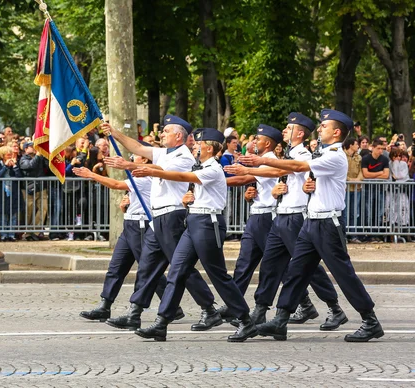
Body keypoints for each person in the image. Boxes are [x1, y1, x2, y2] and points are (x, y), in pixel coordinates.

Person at [239, 109, 384, 342]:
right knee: (297, 271)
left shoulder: (335, 155)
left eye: (324, 127)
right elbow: (303, 173)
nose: (319, 129)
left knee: (343, 273)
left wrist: (261, 160)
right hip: (311, 220)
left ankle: (370, 320)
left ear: (336, 132)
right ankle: (281, 318)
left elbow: (297, 167)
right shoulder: (322, 153)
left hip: (328, 222)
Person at [131, 128, 257, 342]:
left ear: (209, 147)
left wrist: (152, 171)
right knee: (177, 271)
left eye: (198, 145)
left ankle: (245, 320)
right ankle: (162, 322)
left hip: (209, 223)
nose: (195, 147)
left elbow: (181, 175)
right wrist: (190, 199)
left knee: (218, 275)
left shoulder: (213, 168)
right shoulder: (201, 166)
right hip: (193, 221)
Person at [225, 113, 346, 330]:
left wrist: (250, 169)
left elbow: (282, 170)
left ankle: (334, 307)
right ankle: (261, 312)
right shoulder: (291, 153)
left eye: (288, 129)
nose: (284, 132)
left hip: (296, 216)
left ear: (300, 133)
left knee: (308, 268)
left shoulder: (302, 153)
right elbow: (281, 175)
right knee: (270, 265)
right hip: (281, 214)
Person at [102, 115, 217, 332]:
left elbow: (166, 173)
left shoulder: (183, 156)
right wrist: (113, 132)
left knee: (181, 267)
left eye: (166, 131)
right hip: (159, 216)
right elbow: (136, 146)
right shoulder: (165, 152)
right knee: (147, 265)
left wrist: (128, 164)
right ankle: (135, 313)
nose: (162, 134)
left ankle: (209, 308)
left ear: (179, 135)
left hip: (173, 216)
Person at [74, 147, 181, 322]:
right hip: (130, 223)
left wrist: (92, 175)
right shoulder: (138, 178)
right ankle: (105, 304)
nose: (131, 158)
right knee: (116, 267)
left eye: (134, 156)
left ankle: (173, 306)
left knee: (148, 269)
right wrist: (127, 205)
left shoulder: (146, 178)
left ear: (145, 161)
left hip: (140, 225)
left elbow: (116, 185)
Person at [216, 124, 282, 322]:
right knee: (244, 263)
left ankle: (305, 303)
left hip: (268, 218)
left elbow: (245, 178)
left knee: (278, 266)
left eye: (258, 139)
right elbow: (253, 183)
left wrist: (212, 180)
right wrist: (249, 196)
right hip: (256, 215)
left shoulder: (271, 160)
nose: (253, 142)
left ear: (267, 143)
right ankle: (233, 304)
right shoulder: (260, 162)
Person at [361, 139, 390, 242]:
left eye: (382, 149)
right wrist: (379, 173)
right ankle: (368, 234)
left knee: (379, 212)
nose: (380, 151)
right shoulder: (365, 159)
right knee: (368, 212)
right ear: (372, 148)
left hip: (380, 190)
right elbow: (365, 174)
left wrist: (372, 175)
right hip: (368, 189)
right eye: (378, 148)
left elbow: (386, 175)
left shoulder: (385, 159)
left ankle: (376, 234)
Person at [19, 142, 49, 241]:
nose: (35, 148)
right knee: (29, 211)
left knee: (43, 208)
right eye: (32, 146)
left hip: (41, 187)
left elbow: (47, 166)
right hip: (29, 189)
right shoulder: (23, 159)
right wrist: (38, 155)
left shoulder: (39, 157)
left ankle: (35, 231)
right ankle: (28, 232)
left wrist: (45, 155)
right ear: (26, 149)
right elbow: (30, 166)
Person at [0, 145, 23, 241]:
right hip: (2, 193)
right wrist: (6, 166)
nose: (10, 157)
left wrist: (14, 166)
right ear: (2, 156)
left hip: (13, 192)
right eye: (8, 155)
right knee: (4, 215)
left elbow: (19, 176)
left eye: (11, 155)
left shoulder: (15, 165)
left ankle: (11, 234)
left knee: (13, 215)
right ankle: (3, 234)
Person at [343, 137, 363, 243]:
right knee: (345, 212)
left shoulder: (359, 157)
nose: (358, 146)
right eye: (356, 144)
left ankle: (354, 235)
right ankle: (344, 235)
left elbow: (361, 171)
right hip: (345, 188)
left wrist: (358, 179)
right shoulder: (342, 156)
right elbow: (341, 172)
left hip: (356, 189)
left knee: (355, 212)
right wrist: (350, 180)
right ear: (350, 145)